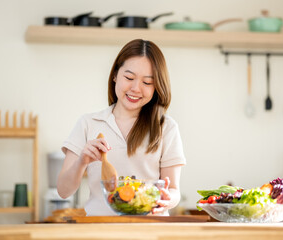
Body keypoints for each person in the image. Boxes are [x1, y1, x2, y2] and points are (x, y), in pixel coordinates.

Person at [57, 39, 186, 216]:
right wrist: (82, 162)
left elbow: (173, 189)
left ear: (157, 87)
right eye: (129, 78)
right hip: (100, 231)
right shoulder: (89, 123)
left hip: (150, 231)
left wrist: (166, 200)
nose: (135, 88)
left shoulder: (166, 127)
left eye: (147, 83)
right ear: (115, 75)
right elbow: (63, 191)